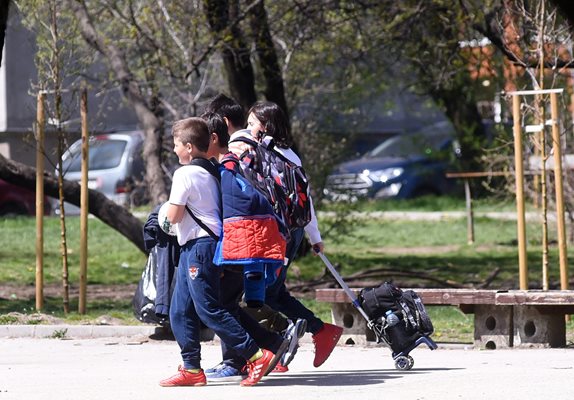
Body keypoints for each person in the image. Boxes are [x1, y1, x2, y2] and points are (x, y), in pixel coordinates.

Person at [159, 116, 275, 387]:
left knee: (208, 308)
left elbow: (174, 216)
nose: (174, 149)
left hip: (198, 247)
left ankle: (256, 355)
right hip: (202, 247)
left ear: (189, 147)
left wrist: (165, 212)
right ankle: (191, 369)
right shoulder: (213, 170)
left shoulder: (184, 173)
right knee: (179, 310)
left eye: (176, 144)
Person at [197, 109, 300, 381]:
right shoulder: (241, 157)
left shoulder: (231, 163)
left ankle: (259, 351)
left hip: (241, 243)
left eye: (198, 140)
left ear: (214, 137)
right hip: (250, 242)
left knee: (218, 303)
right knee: (225, 302)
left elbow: (233, 209)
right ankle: (271, 344)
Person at [246, 100, 343, 371]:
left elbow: (303, 199)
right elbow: (306, 201)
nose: (248, 128)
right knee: (271, 293)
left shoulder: (264, 154)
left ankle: (288, 341)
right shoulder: (291, 155)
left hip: (279, 235)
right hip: (292, 232)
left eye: (252, 123)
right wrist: (313, 236)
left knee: (262, 293)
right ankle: (312, 332)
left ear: (265, 126)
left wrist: (316, 237)